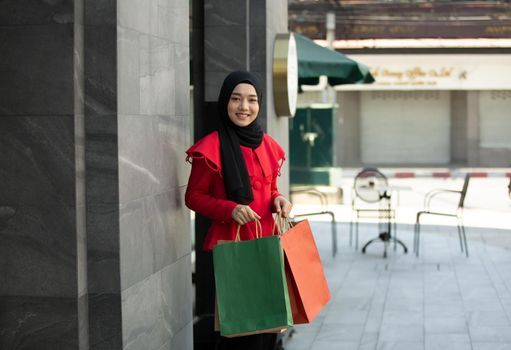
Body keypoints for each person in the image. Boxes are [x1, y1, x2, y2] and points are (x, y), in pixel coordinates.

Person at [185, 71, 292, 349]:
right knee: (240, 329)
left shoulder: (267, 143)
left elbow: (269, 190)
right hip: (233, 247)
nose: (244, 107)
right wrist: (229, 209)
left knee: (269, 325)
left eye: (252, 100)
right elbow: (193, 197)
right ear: (225, 102)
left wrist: (279, 199)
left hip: (267, 244)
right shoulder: (211, 147)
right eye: (236, 99)